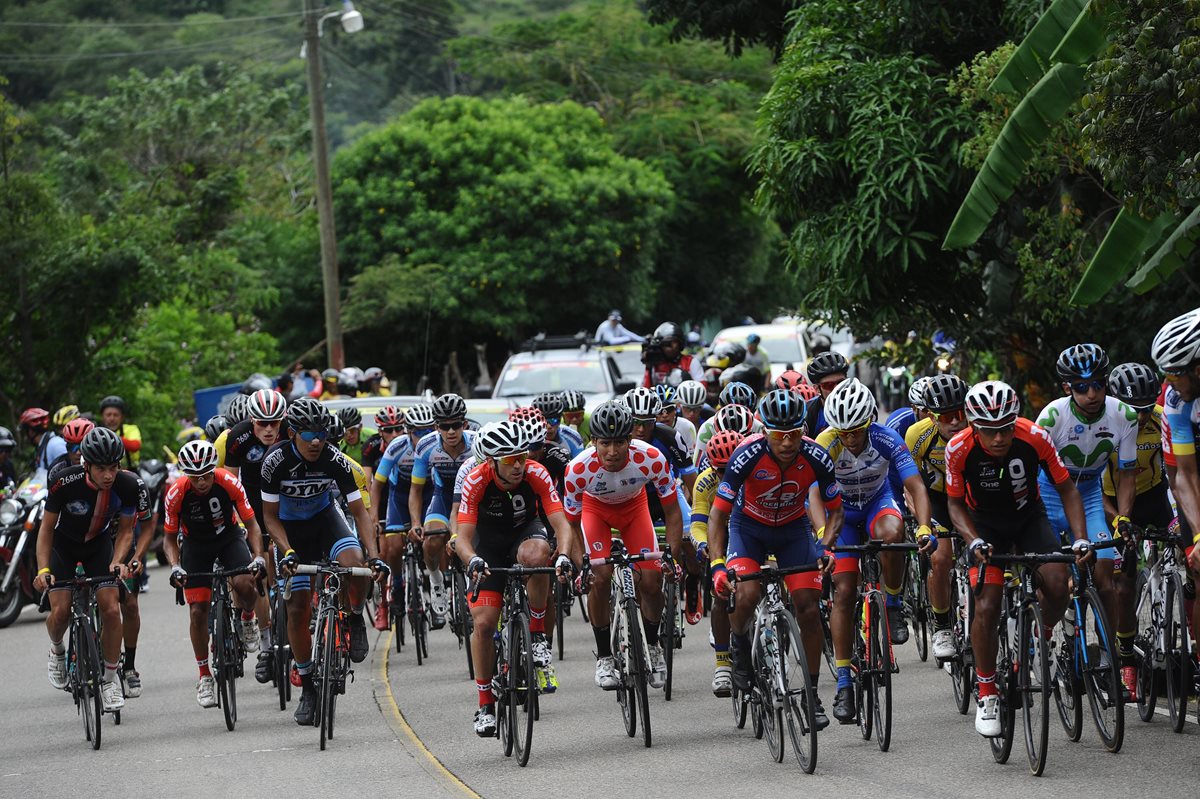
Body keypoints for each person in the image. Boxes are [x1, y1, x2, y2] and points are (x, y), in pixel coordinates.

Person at [944, 381, 1088, 737]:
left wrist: (1080, 537)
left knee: (1057, 584)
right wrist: (971, 538)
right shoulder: (958, 447)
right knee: (988, 604)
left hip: (1028, 518)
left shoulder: (1035, 436)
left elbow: (1067, 488)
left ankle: (1042, 635)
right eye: (990, 431)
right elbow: (954, 503)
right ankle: (988, 690)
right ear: (973, 426)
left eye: (1006, 428)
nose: (999, 438)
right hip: (985, 527)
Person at [706, 389, 842, 730]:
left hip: (793, 530)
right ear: (765, 431)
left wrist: (826, 547)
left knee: (808, 606)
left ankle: (811, 695)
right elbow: (718, 516)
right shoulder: (746, 455)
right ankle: (739, 644)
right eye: (779, 435)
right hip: (748, 529)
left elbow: (835, 511)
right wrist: (717, 565)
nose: (787, 442)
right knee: (747, 594)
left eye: (794, 434)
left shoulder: (816, 456)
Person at [261, 398, 387, 726]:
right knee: (298, 609)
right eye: (307, 435)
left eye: (321, 433)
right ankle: (308, 687)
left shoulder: (335, 459)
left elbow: (359, 513)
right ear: (292, 434)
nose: (316, 441)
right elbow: (270, 519)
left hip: (325, 521)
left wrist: (374, 557)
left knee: (355, 563)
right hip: (290, 532)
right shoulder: (274, 462)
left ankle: (355, 617)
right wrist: (287, 551)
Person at [814, 378, 932, 724]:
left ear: (869, 423)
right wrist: (824, 536)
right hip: (841, 513)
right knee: (845, 590)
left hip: (877, 503)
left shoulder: (885, 438)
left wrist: (924, 526)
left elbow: (915, 486)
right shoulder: (826, 442)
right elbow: (812, 496)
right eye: (843, 432)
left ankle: (892, 604)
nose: (849, 439)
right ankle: (844, 683)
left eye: (857, 431)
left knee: (894, 533)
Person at [454, 421, 575, 736]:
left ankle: (536, 635)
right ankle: (484, 705)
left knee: (538, 556)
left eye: (522, 456)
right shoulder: (475, 480)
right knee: (483, 624)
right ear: (492, 461)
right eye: (510, 460)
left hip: (525, 533)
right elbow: (463, 538)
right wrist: (473, 559)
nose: (519, 464)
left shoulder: (535, 473)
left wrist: (562, 554)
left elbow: (560, 522)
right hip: (487, 547)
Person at [1035, 344, 1139, 696]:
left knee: (1105, 572)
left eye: (1098, 384)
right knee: (1055, 579)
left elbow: (1127, 474)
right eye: (1082, 387)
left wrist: (1122, 518)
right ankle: (1044, 634)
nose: (1092, 393)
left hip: (1091, 495)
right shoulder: (1052, 418)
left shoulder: (1124, 415)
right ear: (1067, 388)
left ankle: (1111, 660)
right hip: (1048, 497)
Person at [559, 401, 683, 692]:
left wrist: (671, 558)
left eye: (619, 443)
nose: (612, 452)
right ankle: (604, 656)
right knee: (599, 580)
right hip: (595, 512)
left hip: (635, 510)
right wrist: (582, 566)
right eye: (605, 443)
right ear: (594, 442)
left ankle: (652, 646)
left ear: (631, 440)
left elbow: (673, 513)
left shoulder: (652, 458)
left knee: (652, 582)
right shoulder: (577, 470)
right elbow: (571, 524)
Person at [33, 427, 137, 712]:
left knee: (111, 608)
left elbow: (126, 531)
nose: (108, 475)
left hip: (98, 544)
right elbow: (46, 529)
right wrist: (43, 568)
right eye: (101, 468)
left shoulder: (127, 485)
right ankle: (57, 650)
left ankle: (110, 679)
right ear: (86, 464)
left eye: (113, 468)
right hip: (63, 546)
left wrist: (117, 561)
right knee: (62, 610)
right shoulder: (63, 482)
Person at [163, 440, 266, 708]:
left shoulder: (228, 481)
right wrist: (175, 565)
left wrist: (258, 557)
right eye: (195, 478)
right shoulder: (176, 494)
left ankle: (247, 617)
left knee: (245, 584)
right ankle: (204, 675)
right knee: (197, 610)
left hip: (228, 536)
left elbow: (252, 524)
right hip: (196, 545)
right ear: (187, 475)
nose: (202, 482)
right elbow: (169, 538)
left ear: (213, 470)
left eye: (207, 475)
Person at [221, 388, 288, 681]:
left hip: (286, 503)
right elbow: (227, 482)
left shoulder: (291, 430)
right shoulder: (238, 437)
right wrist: (236, 522)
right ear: (251, 420)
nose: (270, 429)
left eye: (275, 422)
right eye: (262, 423)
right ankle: (265, 647)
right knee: (258, 574)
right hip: (251, 507)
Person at [904, 374, 969, 659]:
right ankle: (942, 626)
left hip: (972, 495)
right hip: (938, 498)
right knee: (941, 558)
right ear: (931, 417)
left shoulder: (978, 428)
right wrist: (922, 523)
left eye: (960, 414)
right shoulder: (917, 436)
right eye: (946, 416)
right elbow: (913, 485)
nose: (955, 422)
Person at [1149, 308, 1200, 666]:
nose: (1169, 381)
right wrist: (1198, 537)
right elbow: (1184, 474)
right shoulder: (1176, 398)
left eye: (1174, 373)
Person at [408, 394, 476, 628]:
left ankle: (472, 587)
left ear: (464, 424)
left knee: (473, 543)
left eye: (456, 425)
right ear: (436, 427)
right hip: (443, 495)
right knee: (432, 540)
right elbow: (416, 489)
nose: (451, 431)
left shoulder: (477, 443)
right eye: (445, 426)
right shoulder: (426, 446)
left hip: (472, 498)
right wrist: (416, 522)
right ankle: (437, 582)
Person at [688, 429, 743, 695]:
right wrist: (702, 546)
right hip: (720, 533)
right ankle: (722, 663)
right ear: (712, 467)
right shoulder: (705, 482)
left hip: (751, 533)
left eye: (732, 467)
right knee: (721, 593)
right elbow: (698, 525)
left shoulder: (755, 474)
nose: (727, 475)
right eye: (721, 470)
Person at [642, 322, 704, 388]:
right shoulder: (655, 364)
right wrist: (648, 367)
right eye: (665, 344)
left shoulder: (691, 362)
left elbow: (702, 388)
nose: (669, 348)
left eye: (673, 343)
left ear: (680, 343)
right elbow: (646, 389)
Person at [805, 351, 850, 436]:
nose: (836, 389)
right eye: (829, 385)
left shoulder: (862, 401)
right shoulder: (809, 413)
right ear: (817, 389)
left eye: (841, 383)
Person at [532, 393, 584, 457]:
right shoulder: (528, 438)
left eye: (553, 421)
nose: (549, 426)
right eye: (543, 421)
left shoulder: (573, 437)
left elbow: (579, 464)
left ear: (560, 420)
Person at [99, 396, 142, 469]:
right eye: (108, 415)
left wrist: (109, 438)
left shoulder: (131, 429)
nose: (112, 418)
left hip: (130, 471)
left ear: (122, 417)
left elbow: (135, 446)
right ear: (102, 417)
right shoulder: (96, 431)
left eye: (116, 415)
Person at [19, 407, 66, 475]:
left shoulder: (55, 445)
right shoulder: (42, 446)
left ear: (31, 431)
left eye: (25, 431)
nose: (25, 437)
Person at [48, 418, 94, 483]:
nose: (78, 453)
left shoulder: (101, 465)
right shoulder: (56, 469)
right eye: (72, 447)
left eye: (82, 447)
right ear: (66, 447)